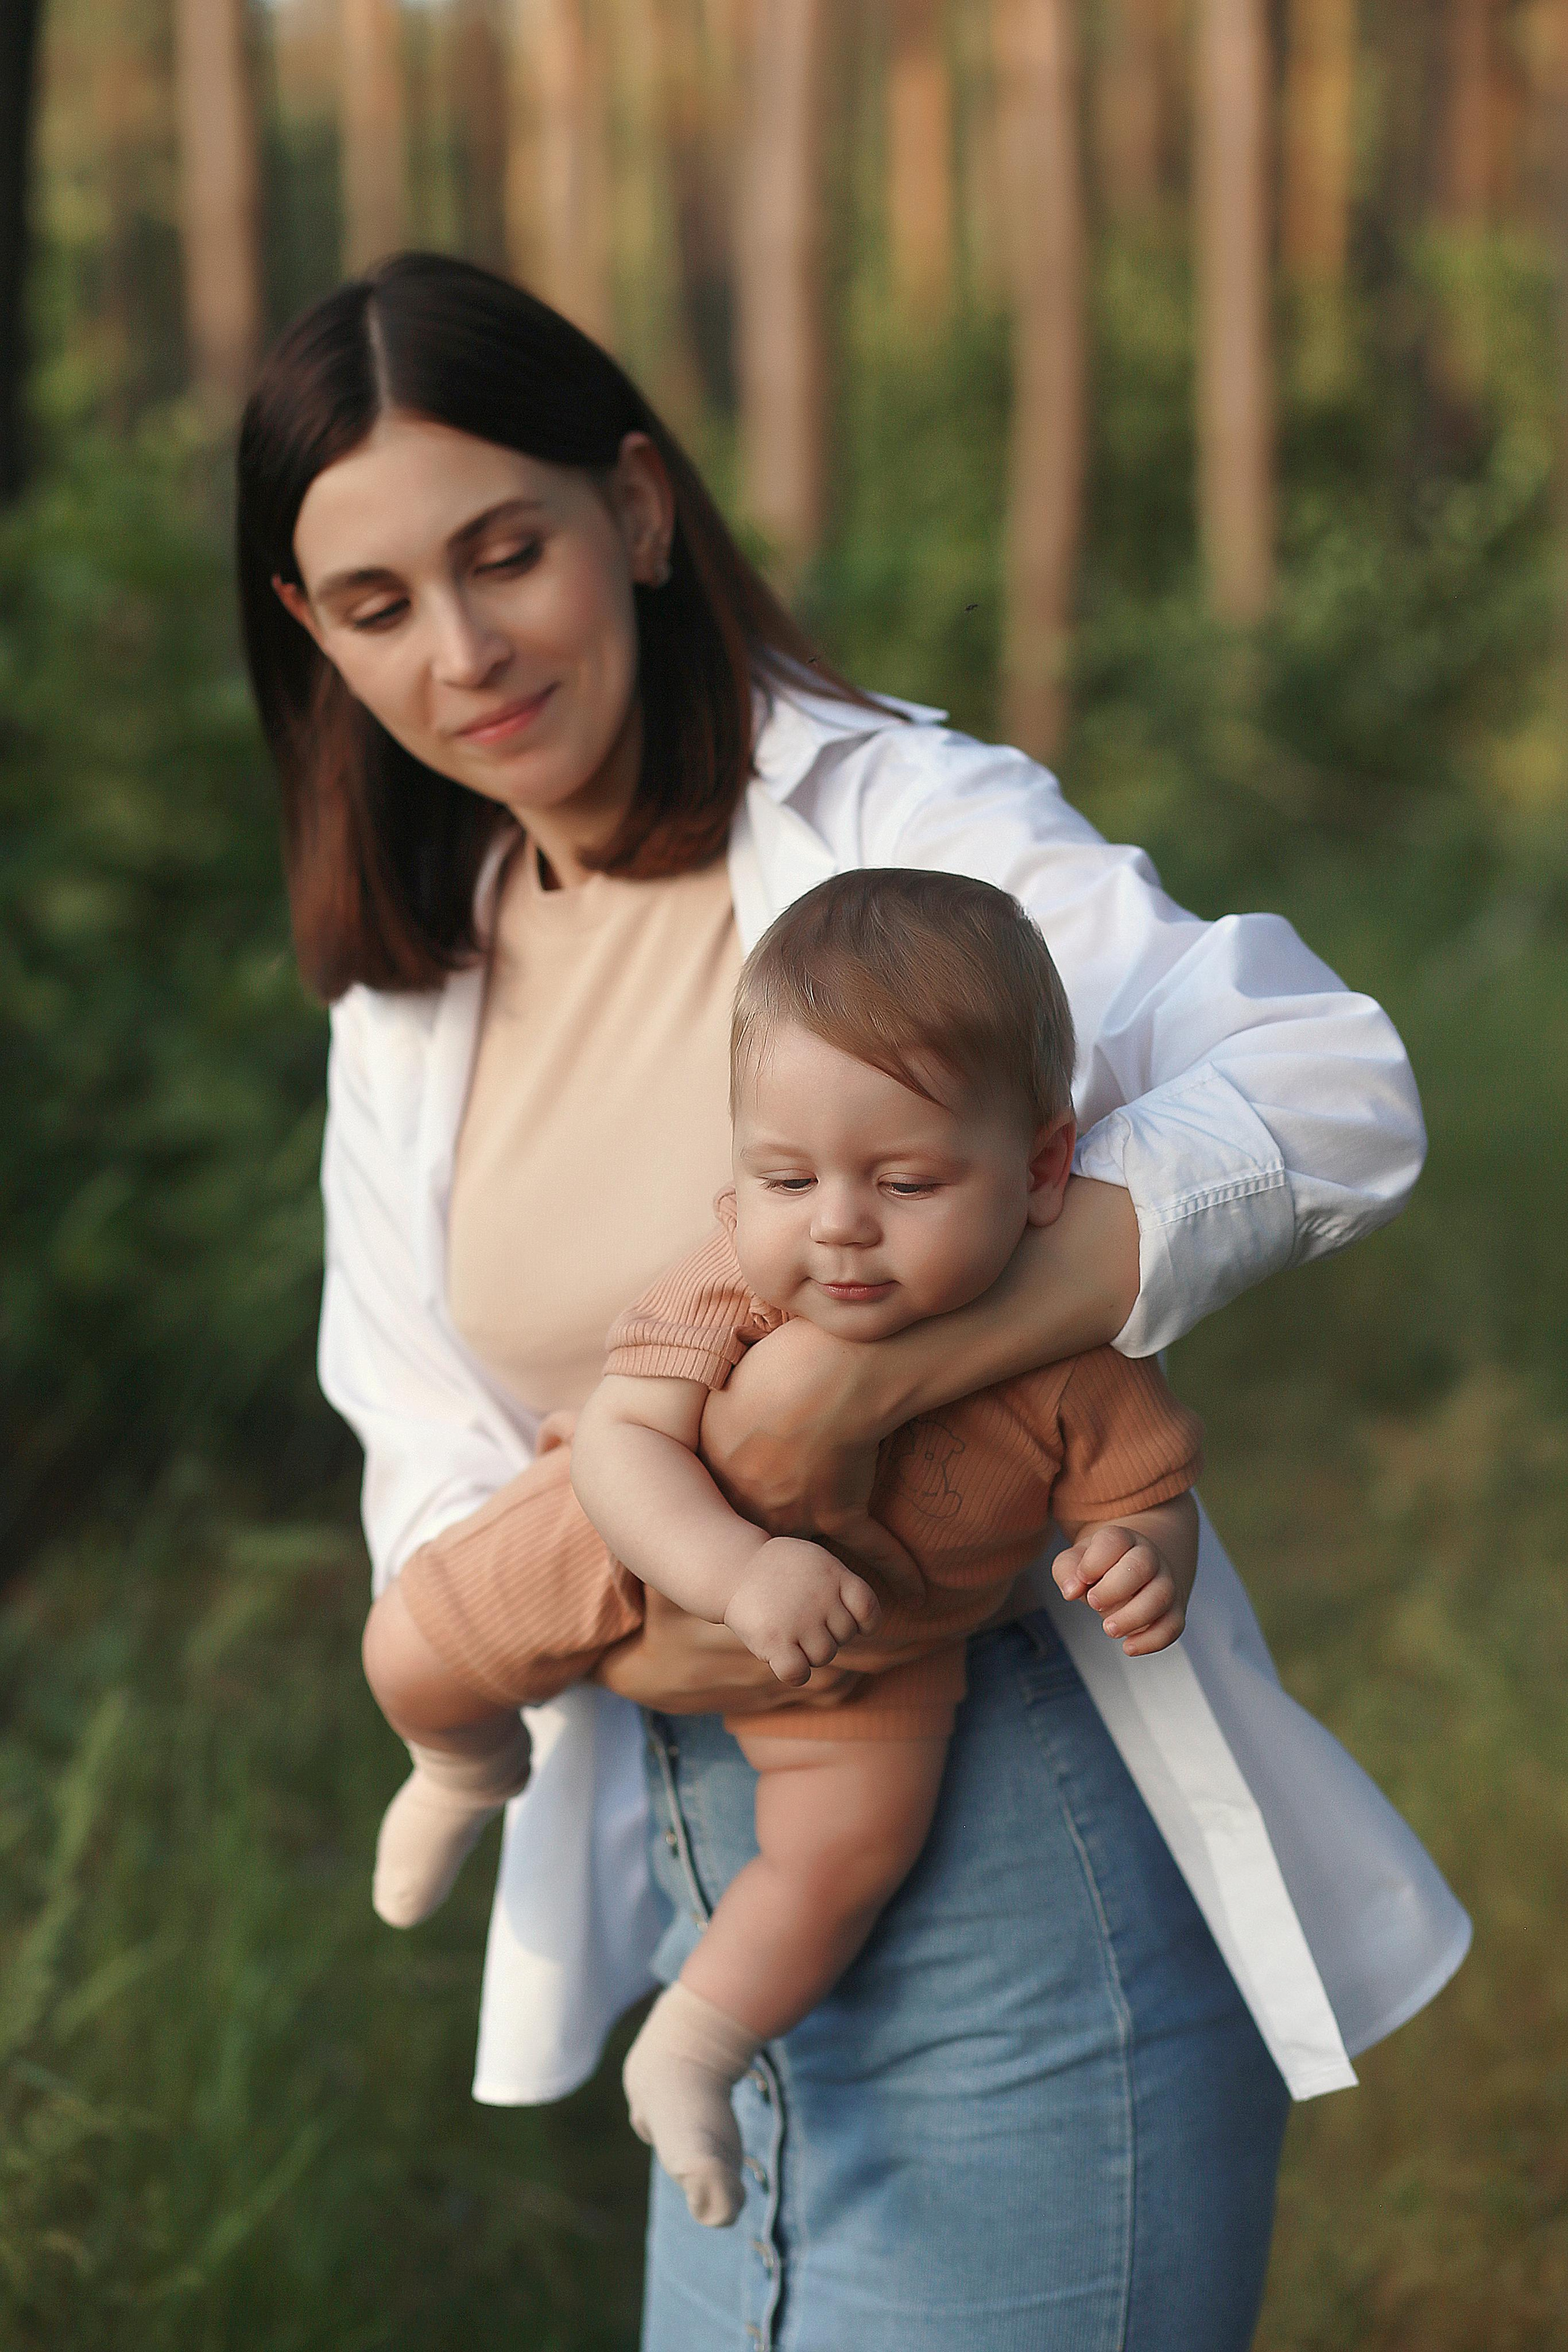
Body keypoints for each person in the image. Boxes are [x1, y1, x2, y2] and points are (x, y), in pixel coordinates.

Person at [238, 252, 1469, 2352]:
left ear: (638, 510)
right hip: (724, 1906)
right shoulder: (419, 983)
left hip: (1015, 1861)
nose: (461, 650)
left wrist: (860, 1380)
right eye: (376, 604)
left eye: (506, 553)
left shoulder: (899, 826)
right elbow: (421, 1434)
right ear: (313, 634)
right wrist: (620, 1590)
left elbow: (1330, 1092)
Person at [358, 868, 1206, 2228]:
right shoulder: (732, 1281)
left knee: (845, 1854)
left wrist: (1141, 1555)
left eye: (906, 1181)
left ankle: (693, 2046)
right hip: (631, 1546)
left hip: (874, 1648)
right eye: (786, 1177)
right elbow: (627, 1445)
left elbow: (1142, 1488)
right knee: (409, 1647)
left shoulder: (1069, 1349)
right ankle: (465, 1762)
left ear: (1042, 1168)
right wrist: (736, 1572)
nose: (838, 1224)